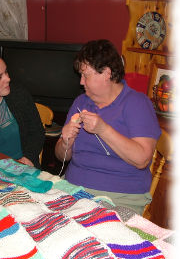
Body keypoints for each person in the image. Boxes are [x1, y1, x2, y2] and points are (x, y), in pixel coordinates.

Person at [55, 39, 161, 214]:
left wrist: (103, 130)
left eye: (86, 75)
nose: (81, 82)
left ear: (106, 73)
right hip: (73, 189)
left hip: (120, 197)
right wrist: (66, 141)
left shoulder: (137, 103)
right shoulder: (81, 102)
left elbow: (142, 159)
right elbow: (62, 157)